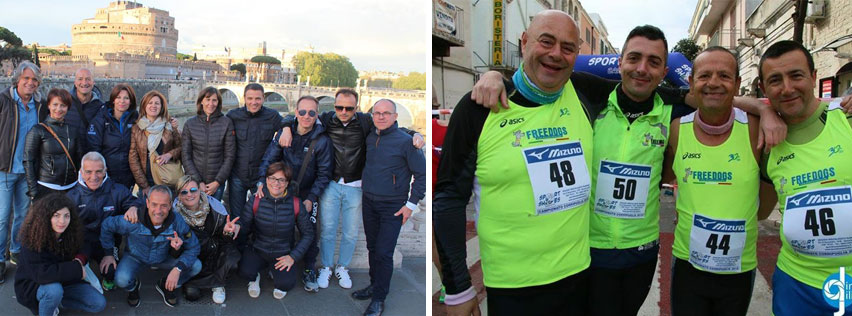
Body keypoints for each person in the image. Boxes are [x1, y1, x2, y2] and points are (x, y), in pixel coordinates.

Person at [434, 11, 597, 315]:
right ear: (524, 42)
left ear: (577, 54)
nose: (555, 55)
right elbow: (448, 201)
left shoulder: (584, 91)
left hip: (577, 278)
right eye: (546, 42)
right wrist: (456, 289)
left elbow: (641, 81)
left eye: (567, 47)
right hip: (512, 289)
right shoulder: (478, 108)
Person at [661, 47, 776, 316]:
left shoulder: (756, 128)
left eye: (724, 75)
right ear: (691, 83)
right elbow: (666, 177)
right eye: (704, 75)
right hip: (688, 266)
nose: (713, 82)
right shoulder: (677, 129)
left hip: (738, 268)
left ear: (737, 84)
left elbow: (763, 209)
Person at [276, 88, 424, 290]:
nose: (343, 111)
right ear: (334, 106)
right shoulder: (327, 119)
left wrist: (415, 134)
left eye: (349, 108)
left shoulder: (365, 121)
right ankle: (326, 267)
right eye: (339, 107)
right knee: (327, 230)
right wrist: (285, 127)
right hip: (331, 184)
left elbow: (392, 127)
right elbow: (298, 116)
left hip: (356, 186)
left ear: (357, 108)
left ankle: (343, 267)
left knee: (350, 232)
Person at [758, 40, 852, 315]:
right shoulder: (767, 140)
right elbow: (761, 212)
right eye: (775, 80)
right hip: (797, 284)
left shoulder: (845, 118)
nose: (787, 88)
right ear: (764, 89)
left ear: (813, 77)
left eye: (796, 76)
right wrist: (762, 109)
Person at [352, 99, 425, 316]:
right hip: (369, 201)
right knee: (373, 249)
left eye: (386, 113)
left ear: (395, 116)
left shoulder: (406, 142)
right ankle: (375, 285)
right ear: (372, 115)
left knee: (384, 253)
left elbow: (421, 175)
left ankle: (379, 299)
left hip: (393, 206)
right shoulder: (370, 135)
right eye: (377, 113)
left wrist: (410, 205)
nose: (381, 117)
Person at [258, 95, 332, 293]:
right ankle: (278, 264)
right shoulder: (284, 134)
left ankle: (309, 269)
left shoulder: (322, 141)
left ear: (317, 115)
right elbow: (268, 160)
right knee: (280, 228)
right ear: (296, 113)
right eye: (302, 112)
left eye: (311, 113)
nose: (306, 116)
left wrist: (311, 198)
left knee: (311, 231)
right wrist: (260, 182)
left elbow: (325, 174)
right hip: (284, 190)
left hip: (307, 192)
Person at [99, 185, 202, 307]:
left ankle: (166, 284)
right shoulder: (133, 219)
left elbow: (194, 247)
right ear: (147, 203)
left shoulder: (177, 221)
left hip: (163, 258)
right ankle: (133, 288)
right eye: (154, 204)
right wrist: (109, 253)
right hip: (135, 257)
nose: (158, 211)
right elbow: (107, 225)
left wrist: (178, 268)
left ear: (170, 205)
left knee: (196, 266)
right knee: (121, 279)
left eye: (164, 205)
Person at [14, 193, 106, 316]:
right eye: (56, 216)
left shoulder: (70, 231)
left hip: (64, 281)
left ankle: (55, 303)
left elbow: (86, 244)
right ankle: (45, 308)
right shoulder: (32, 239)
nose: (62, 221)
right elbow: (42, 274)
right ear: (45, 217)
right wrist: (77, 270)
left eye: (66, 216)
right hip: (35, 286)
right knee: (54, 291)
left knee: (98, 303)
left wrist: (80, 260)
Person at [238, 162, 314, 300]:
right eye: (272, 178)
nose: (276, 183)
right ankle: (256, 276)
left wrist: (293, 257)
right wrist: (234, 228)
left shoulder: (296, 203)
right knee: (245, 271)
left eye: (281, 180)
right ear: (266, 180)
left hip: (282, 253)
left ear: (287, 183)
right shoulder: (256, 200)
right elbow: (244, 225)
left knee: (285, 284)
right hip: (258, 249)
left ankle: (275, 271)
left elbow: (308, 234)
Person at [66, 151, 139, 291]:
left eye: (99, 171)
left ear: (105, 170)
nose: (94, 177)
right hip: (82, 242)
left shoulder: (117, 190)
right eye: (88, 172)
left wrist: (134, 207)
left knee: (112, 271)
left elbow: (138, 202)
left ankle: (107, 276)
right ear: (81, 171)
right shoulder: (71, 196)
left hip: (108, 242)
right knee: (72, 270)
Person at [0, 61, 44, 276]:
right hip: (5, 170)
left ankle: (16, 250)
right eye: (26, 78)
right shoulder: (3, 101)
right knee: (2, 217)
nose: (30, 82)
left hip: (28, 171)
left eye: (34, 79)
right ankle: (0, 258)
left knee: (23, 215)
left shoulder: (39, 105)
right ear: (17, 79)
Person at [170, 175, 240, 304]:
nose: (189, 195)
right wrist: (176, 248)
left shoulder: (215, 207)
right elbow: (173, 254)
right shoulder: (174, 216)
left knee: (233, 262)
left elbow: (226, 241)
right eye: (184, 192)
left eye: (193, 190)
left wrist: (227, 232)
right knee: (192, 295)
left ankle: (218, 284)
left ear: (199, 190)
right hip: (194, 257)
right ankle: (204, 281)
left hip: (215, 252)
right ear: (179, 195)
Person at [226, 83, 283, 224]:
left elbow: (289, 122)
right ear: (244, 98)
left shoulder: (272, 116)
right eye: (250, 98)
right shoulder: (233, 116)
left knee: (262, 215)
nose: (254, 102)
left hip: (261, 177)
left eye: (257, 98)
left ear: (263, 98)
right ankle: (237, 244)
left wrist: (286, 128)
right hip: (238, 175)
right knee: (236, 216)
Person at [25, 88, 82, 200]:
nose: (58, 109)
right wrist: (33, 191)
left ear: (68, 108)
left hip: (71, 186)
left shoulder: (73, 130)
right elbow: (28, 161)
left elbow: (79, 158)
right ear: (49, 106)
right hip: (46, 186)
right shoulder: (38, 130)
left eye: (63, 105)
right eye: (55, 104)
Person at [182, 87, 235, 200]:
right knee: (194, 215)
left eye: (214, 100)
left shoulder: (226, 123)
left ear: (218, 102)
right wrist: (198, 181)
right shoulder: (190, 124)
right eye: (208, 99)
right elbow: (186, 156)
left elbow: (230, 156)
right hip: (194, 183)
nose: (211, 103)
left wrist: (217, 182)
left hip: (216, 184)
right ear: (201, 101)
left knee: (214, 215)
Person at [87, 84, 139, 190]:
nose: (122, 101)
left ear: (131, 101)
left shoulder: (136, 120)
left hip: (128, 177)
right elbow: (94, 150)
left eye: (126, 98)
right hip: (106, 176)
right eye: (118, 97)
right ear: (113, 100)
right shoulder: (100, 119)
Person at [129, 90, 181, 193]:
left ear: (162, 107)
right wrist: (144, 185)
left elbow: (182, 148)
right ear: (144, 105)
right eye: (150, 103)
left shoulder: (169, 125)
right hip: (147, 181)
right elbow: (133, 159)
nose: (153, 106)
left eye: (157, 103)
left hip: (167, 179)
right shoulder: (137, 128)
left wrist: (169, 154)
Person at [68, 68, 105, 151]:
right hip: (69, 158)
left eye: (88, 79)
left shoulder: (101, 108)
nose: (84, 83)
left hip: (91, 158)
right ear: (75, 82)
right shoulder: (65, 104)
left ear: (93, 82)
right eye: (80, 79)